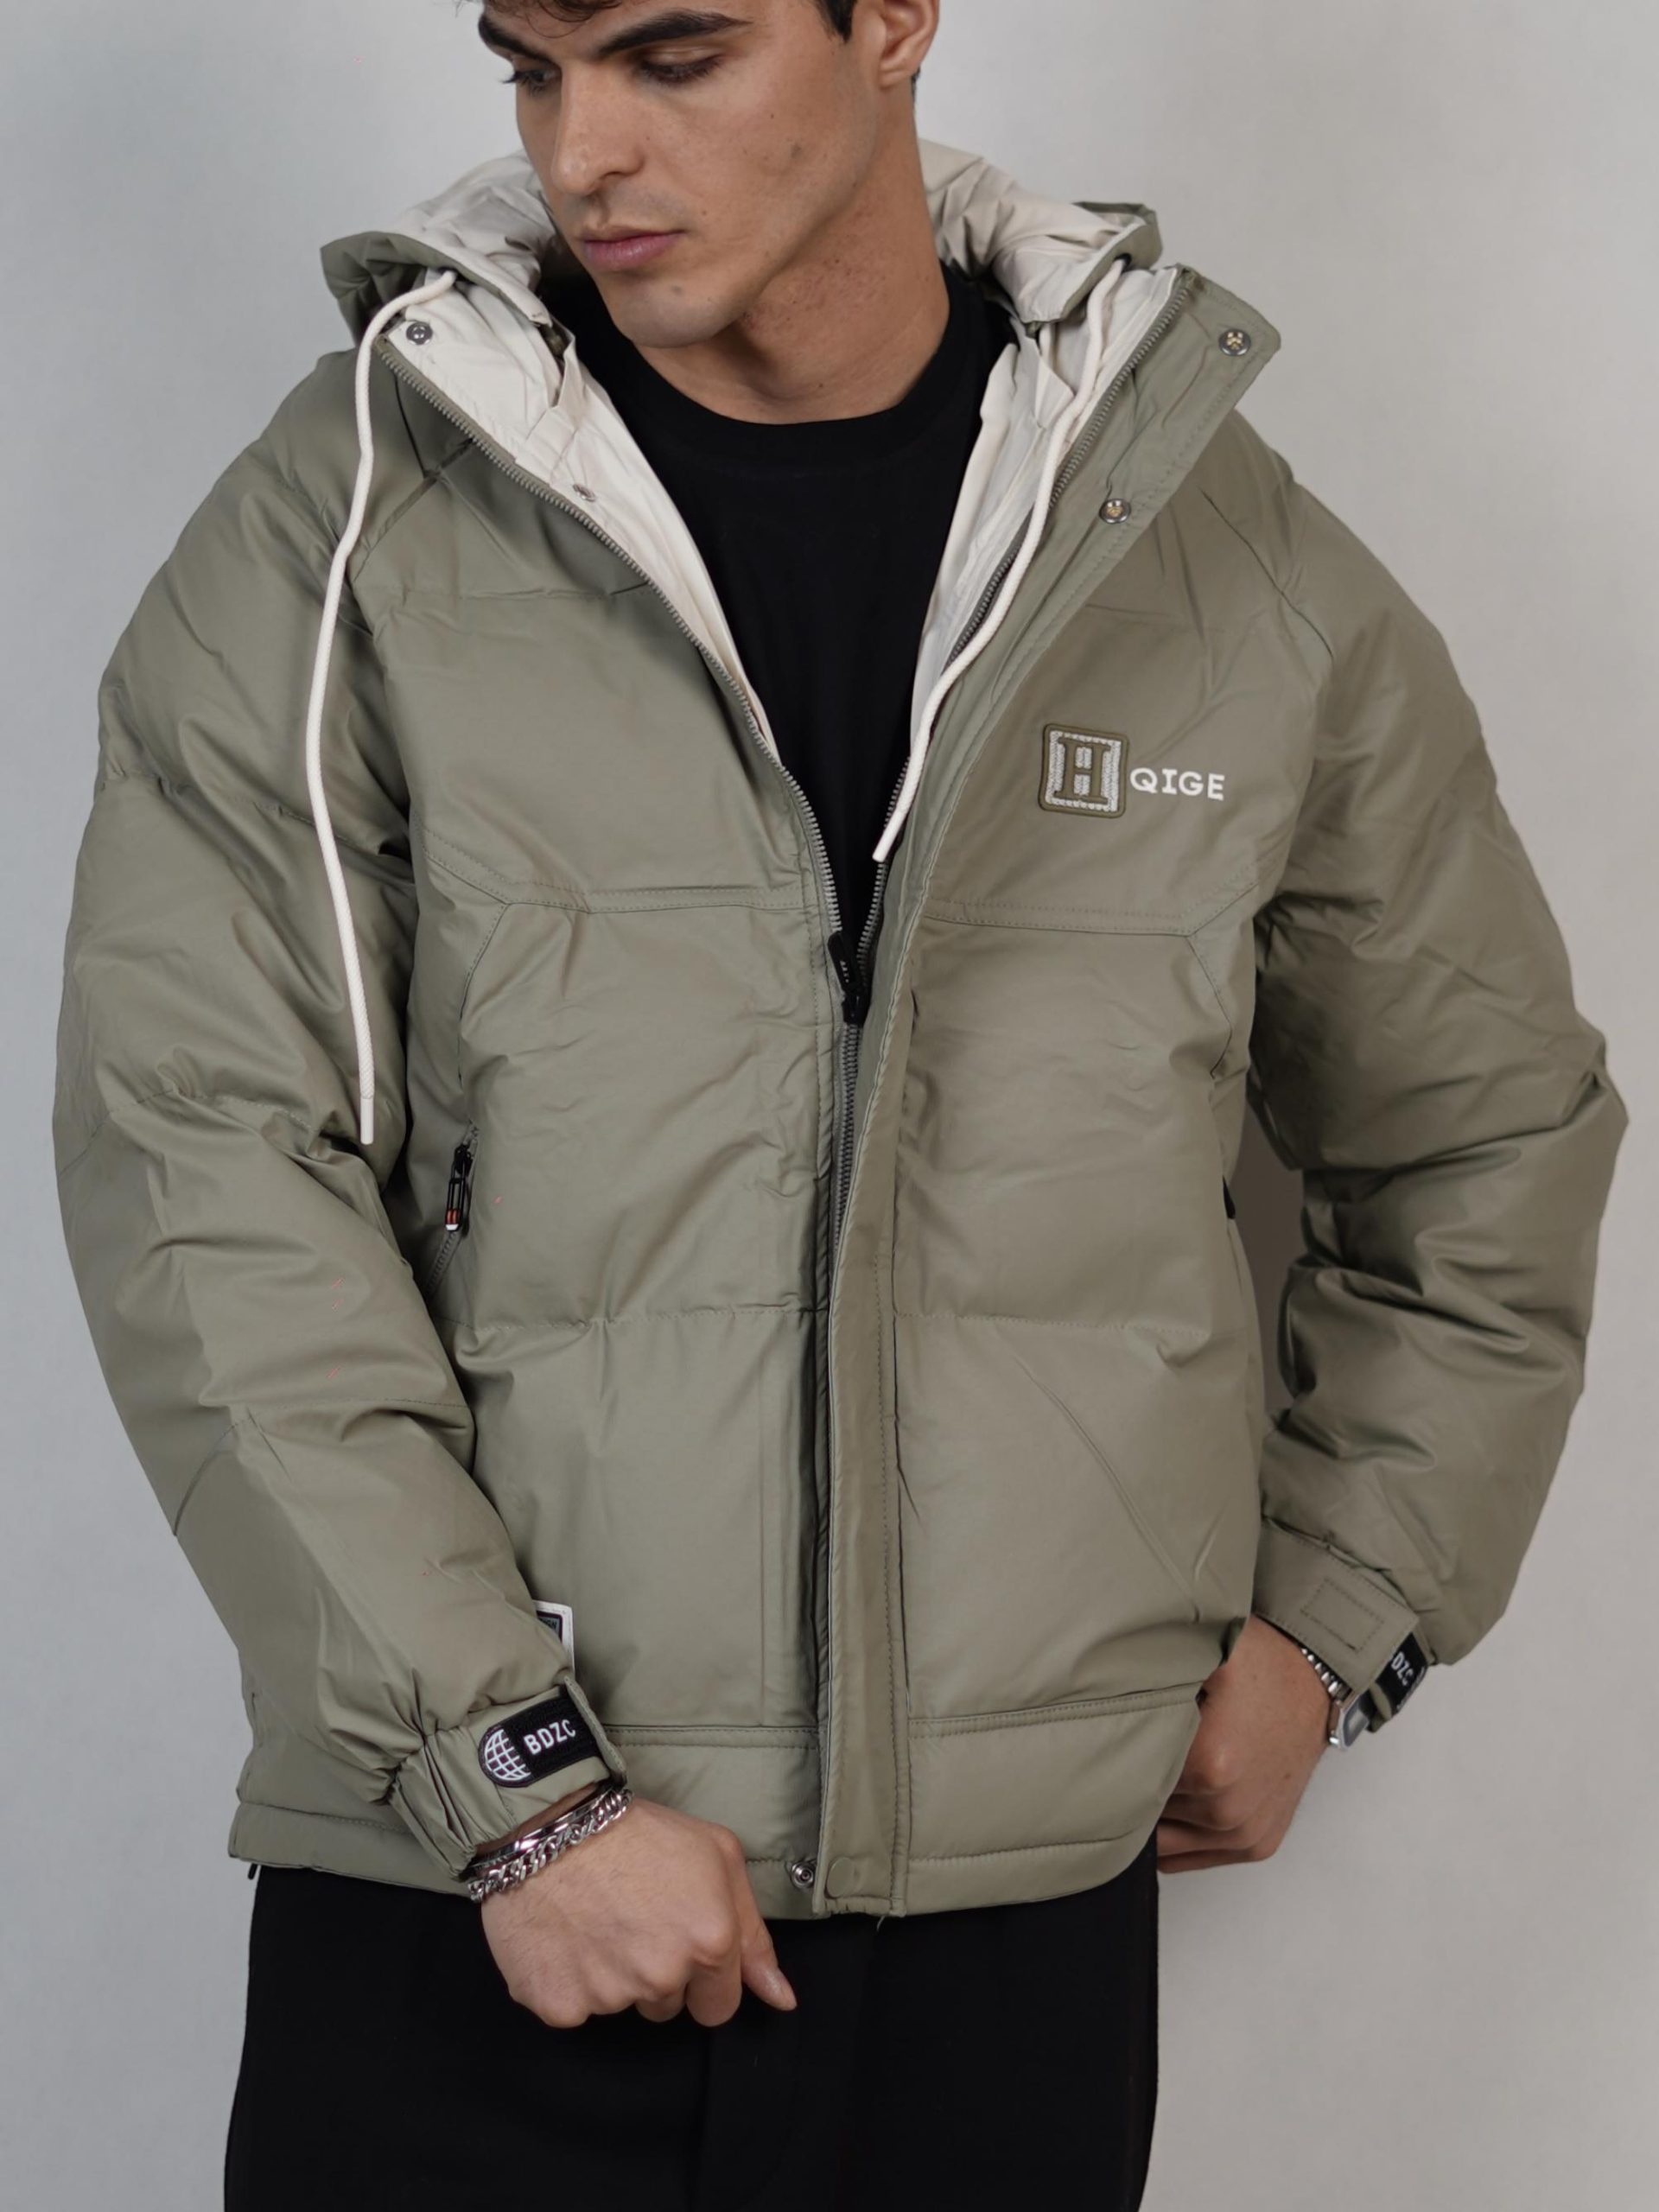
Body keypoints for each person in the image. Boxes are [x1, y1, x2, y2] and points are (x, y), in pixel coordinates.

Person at [50, 3, 1624, 2206]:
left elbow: (1485, 1132)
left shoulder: (1209, 554)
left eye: (672, 56)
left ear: (891, 22)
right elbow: (205, 1164)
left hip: (1007, 1948)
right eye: (532, 68)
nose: (582, 150)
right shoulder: (358, 523)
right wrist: (519, 1794)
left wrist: (1335, 1620)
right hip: (472, 1904)